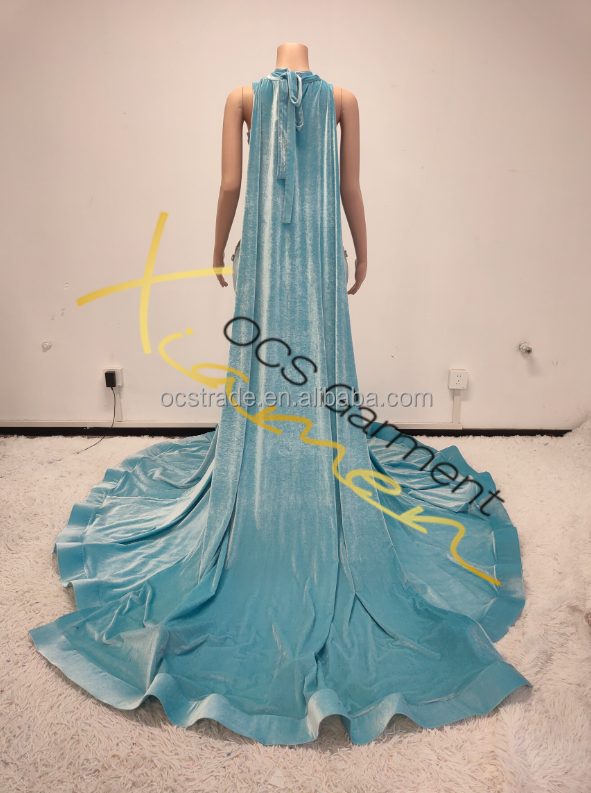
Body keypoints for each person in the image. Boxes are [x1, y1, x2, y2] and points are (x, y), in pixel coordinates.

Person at [29, 43, 531, 746]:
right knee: (316, 370)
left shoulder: (242, 97)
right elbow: (351, 190)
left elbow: (229, 187)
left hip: (265, 254)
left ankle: (265, 465)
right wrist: (363, 249)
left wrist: (216, 247)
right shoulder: (342, 99)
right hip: (320, 253)